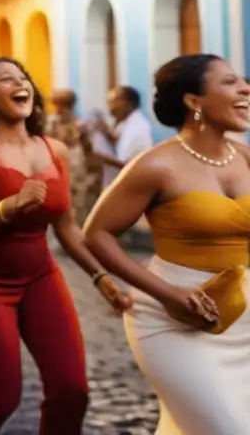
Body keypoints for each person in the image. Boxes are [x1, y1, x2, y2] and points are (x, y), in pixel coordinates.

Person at [0, 57, 132, 434]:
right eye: (7, 80)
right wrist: (12, 204)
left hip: (40, 277)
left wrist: (101, 277)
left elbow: (68, 227)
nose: (20, 83)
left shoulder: (54, 149)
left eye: (23, 77)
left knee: (72, 391)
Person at [83, 54, 250, 434]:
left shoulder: (245, 158)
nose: (245, 88)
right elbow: (96, 233)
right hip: (168, 319)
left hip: (242, 319)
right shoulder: (155, 166)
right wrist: (168, 293)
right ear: (194, 101)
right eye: (229, 82)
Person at [46, 89, 98, 223]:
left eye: (60, 104)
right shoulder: (51, 124)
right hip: (57, 171)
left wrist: (93, 175)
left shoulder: (81, 125)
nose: (58, 107)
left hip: (77, 173)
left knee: (78, 207)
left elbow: (89, 150)